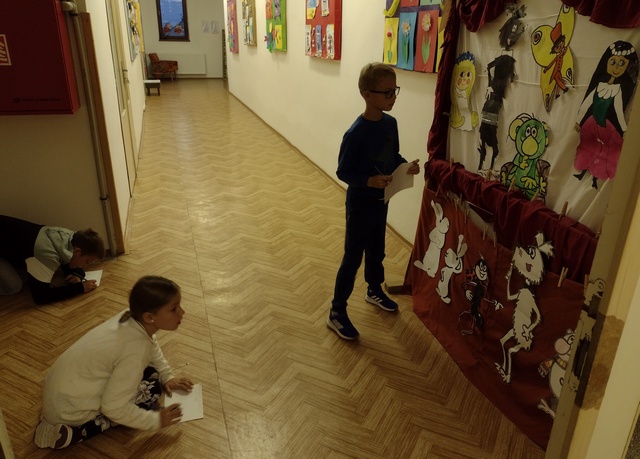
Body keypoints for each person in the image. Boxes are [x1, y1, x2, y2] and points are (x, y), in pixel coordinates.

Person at [34, 275, 194, 449]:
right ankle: (79, 431)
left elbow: (150, 341)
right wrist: (156, 420)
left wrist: (166, 375)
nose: (182, 312)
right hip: (70, 411)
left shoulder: (130, 316)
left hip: (59, 396)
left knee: (151, 375)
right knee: (152, 390)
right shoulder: (135, 350)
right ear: (149, 317)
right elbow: (113, 408)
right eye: (174, 309)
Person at [327, 62, 420, 340]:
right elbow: (343, 171)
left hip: (382, 201)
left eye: (395, 91)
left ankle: (374, 289)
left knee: (377, 250)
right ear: (367, 95)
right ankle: (336, 312)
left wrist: (405, 166)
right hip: (360, 204)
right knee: (352, 257)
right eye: (387, 92)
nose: (393, 97)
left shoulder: (391, 124)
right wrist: (368, 181)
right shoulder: (355, 133)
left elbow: (393, 156)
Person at [0, 214, 105, 304]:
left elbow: (67, 260)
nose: (85, 266)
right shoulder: (46, 254)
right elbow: (40, 297)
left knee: (27, 276)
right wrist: (80, 288)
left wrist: (77, 274)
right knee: (14, 286)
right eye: (87, 262)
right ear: (77, 251)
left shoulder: (69, 237)